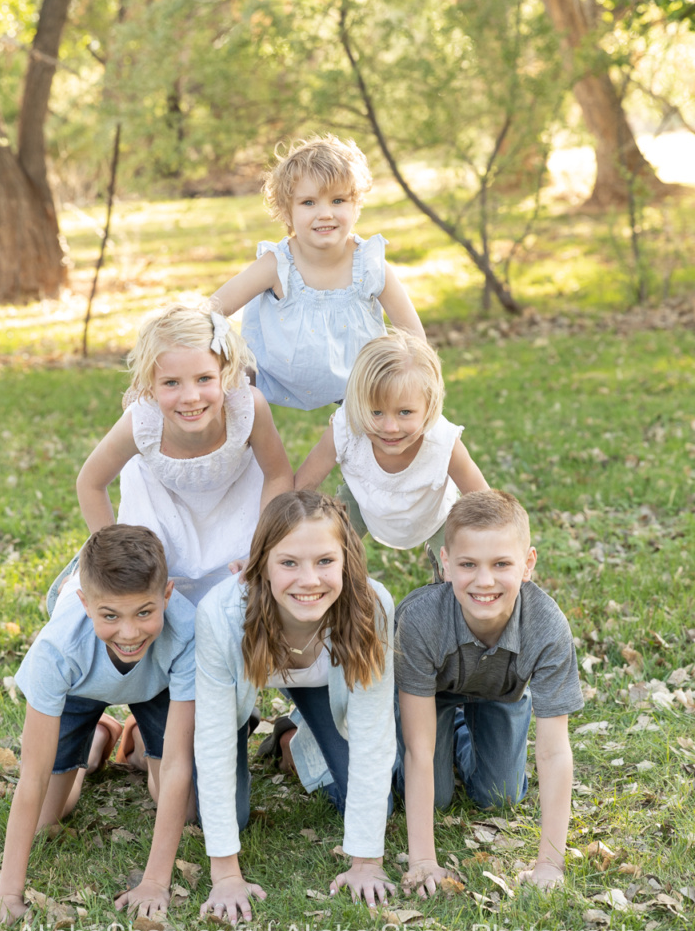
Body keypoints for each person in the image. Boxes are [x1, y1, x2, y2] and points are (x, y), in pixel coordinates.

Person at [194, 491, 396, 924]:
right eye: (289, 563)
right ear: (261, 564)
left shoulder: (370, 607)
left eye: (325, 561)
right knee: (221, 813)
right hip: (242, 687)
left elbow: (373, 738)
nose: (309, 580)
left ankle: (291, 734)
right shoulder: (221, 614)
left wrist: (365, 863)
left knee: (368, 800)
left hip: (322, 686)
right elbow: (211, 745)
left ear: (346, 561)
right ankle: (150, 738)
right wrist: (225, 874)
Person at [0, 525, 196, 926]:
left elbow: (179, 765)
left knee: (182, 807)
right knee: (50, 817)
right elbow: (32, 776)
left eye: (145, 612)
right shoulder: (57, 649)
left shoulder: (186, 634)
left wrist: (155, 882)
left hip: (156, 682)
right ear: (84, 603)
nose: (130, 632)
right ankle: (97, 740)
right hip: (81, 685)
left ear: (166, 596)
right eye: (110, 615)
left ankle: (133, 739)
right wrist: (8, 894)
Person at [394, 490, 583, 897]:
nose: (484, 581)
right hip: (433, 694)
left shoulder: (547, 627)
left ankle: (468, 727)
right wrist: (423, 860)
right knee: (435, 797)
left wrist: (550, 865)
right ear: (445, 564)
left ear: (528, 564)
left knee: (501, 796)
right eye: (468, 565)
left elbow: (554, 752)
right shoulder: (420, 621)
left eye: (501, 564)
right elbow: (419, 751)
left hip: (501, 692)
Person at [75, 301, 293, 607]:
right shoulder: (142, 422)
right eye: (171, 383)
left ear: (225, 373)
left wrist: (263, 546)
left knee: (250, 600)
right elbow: (90, 483)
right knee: (136, 599)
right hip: (161, 517)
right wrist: (113, 559)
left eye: (204, 378)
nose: (190, 397)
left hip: (234, 516)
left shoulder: (247, 408)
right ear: (149, 386)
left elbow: (278, 474)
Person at [211, 135, 424, 410]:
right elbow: (212, 309)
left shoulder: (369, 263)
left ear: (355, 205)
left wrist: (414, 389)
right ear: (287, 212)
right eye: (309, 203)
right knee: (233, 393)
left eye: (337, 200)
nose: (325, 213)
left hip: (360, 386)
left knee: (382, 426)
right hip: (273, 375)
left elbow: (416, 340)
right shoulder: (278, 264)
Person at [295, 331, 487, 569]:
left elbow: (486, 502)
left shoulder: (443, 444)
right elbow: (300, 487)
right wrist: (277, 541)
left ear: (430, 407)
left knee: (459, 570)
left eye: (405, 412)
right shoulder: (347, 428)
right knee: (324, 553)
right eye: (376, 412)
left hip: (435, 514)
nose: (390, 428)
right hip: (361, 497)